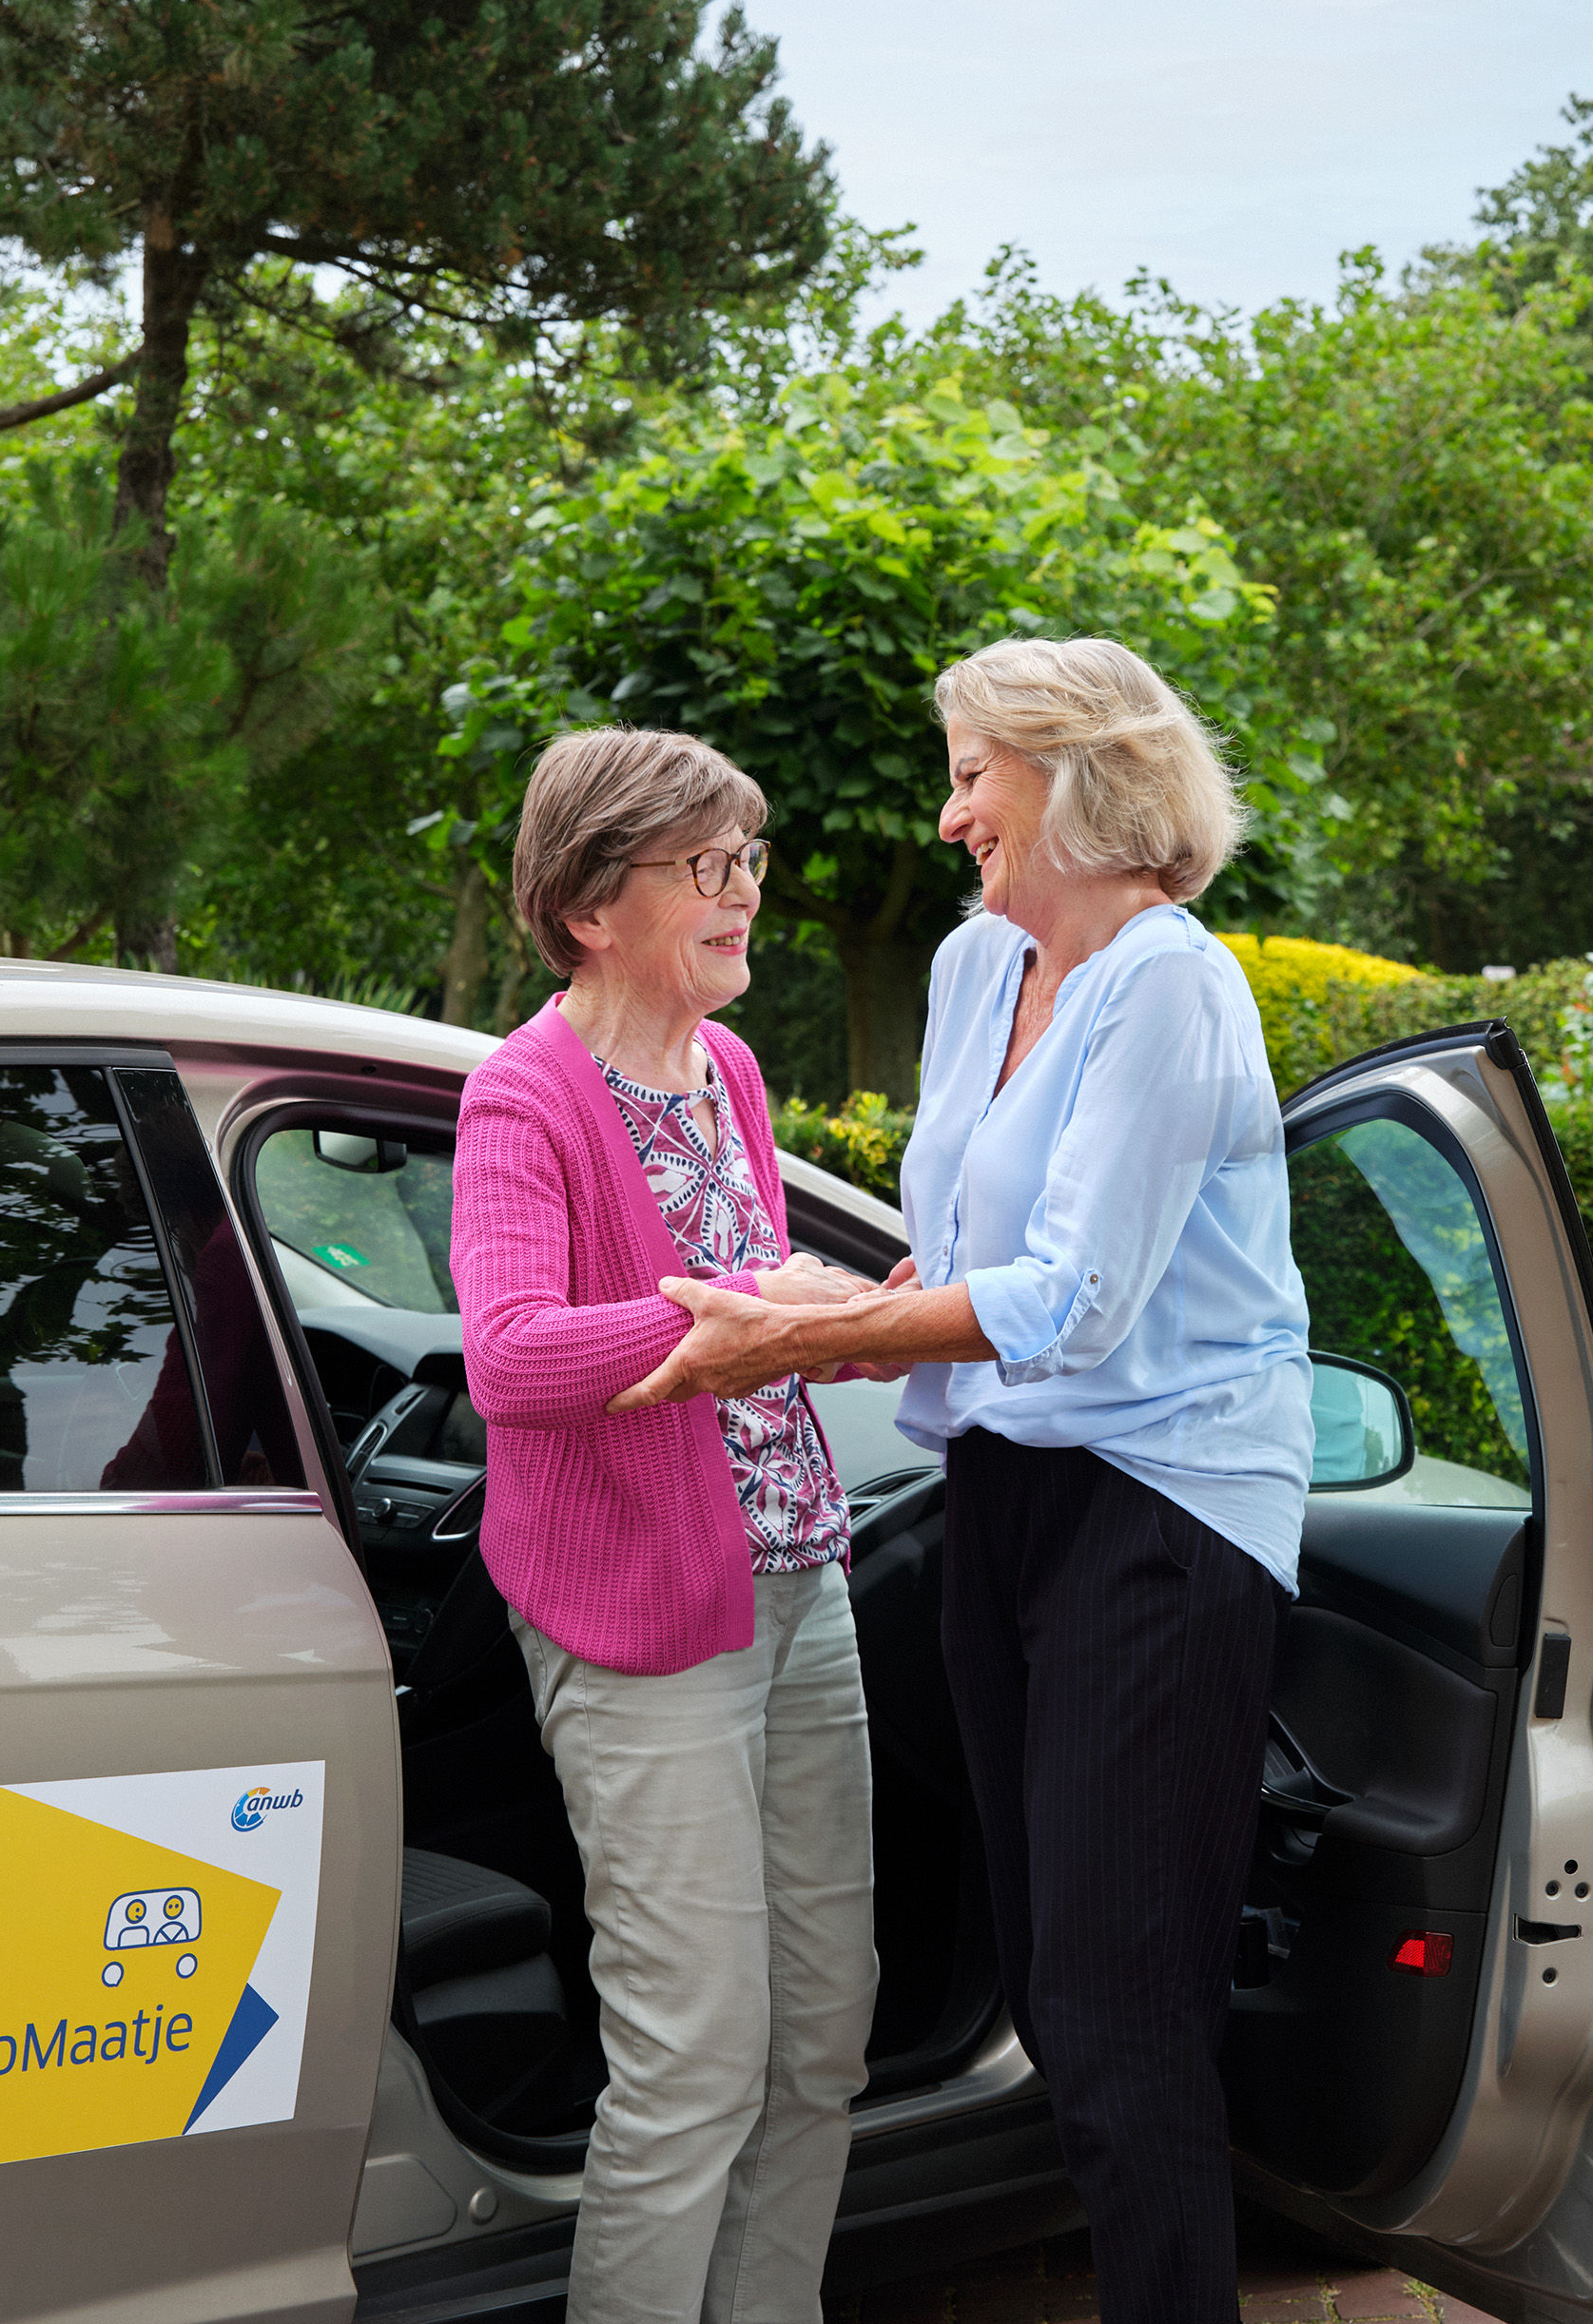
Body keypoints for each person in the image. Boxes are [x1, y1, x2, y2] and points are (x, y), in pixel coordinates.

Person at [618, 637, 1313, 2324]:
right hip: (1006, 1489)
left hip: (1165, 1506)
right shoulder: (974, 970)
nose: (948, 818)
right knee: (1046, 1977)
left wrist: (810, 1340)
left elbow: (1078, 1303)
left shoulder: (1171, 981)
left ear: (1077, 774)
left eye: (970, 776)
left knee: (1112, 2005)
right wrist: (832, 1310)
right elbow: (966, 1255)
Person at [448, 726, 886, 2324]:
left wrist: (835, 1320)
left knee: (823, 2034)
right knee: (694, 2057)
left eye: (749, 861)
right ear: (586, 905)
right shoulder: (524, 1097)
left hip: (801, 1585)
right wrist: (723, 1325)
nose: (743, 893)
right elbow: (511, 1358)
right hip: (639, 1620)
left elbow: (746, 1325)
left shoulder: (732, 1071)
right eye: (706, 866)